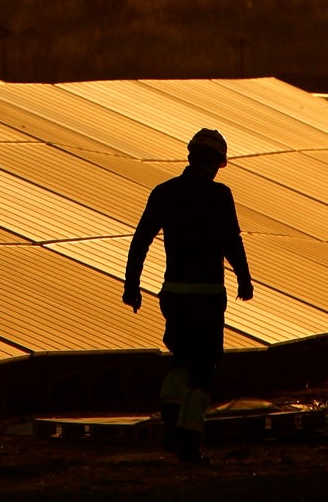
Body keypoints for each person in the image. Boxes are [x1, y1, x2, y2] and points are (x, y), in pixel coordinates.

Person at [122, 127, 254, 463]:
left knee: (181, 357)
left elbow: (141, 241)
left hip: (175, 294)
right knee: (204, 369)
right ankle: (189, 445)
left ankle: (170, 416)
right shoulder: (220, 196)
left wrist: (132, 285)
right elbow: (232, 242)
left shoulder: (164, 193)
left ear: (190, 155)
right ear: (216, 163)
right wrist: (244, 279)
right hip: (209, 295)